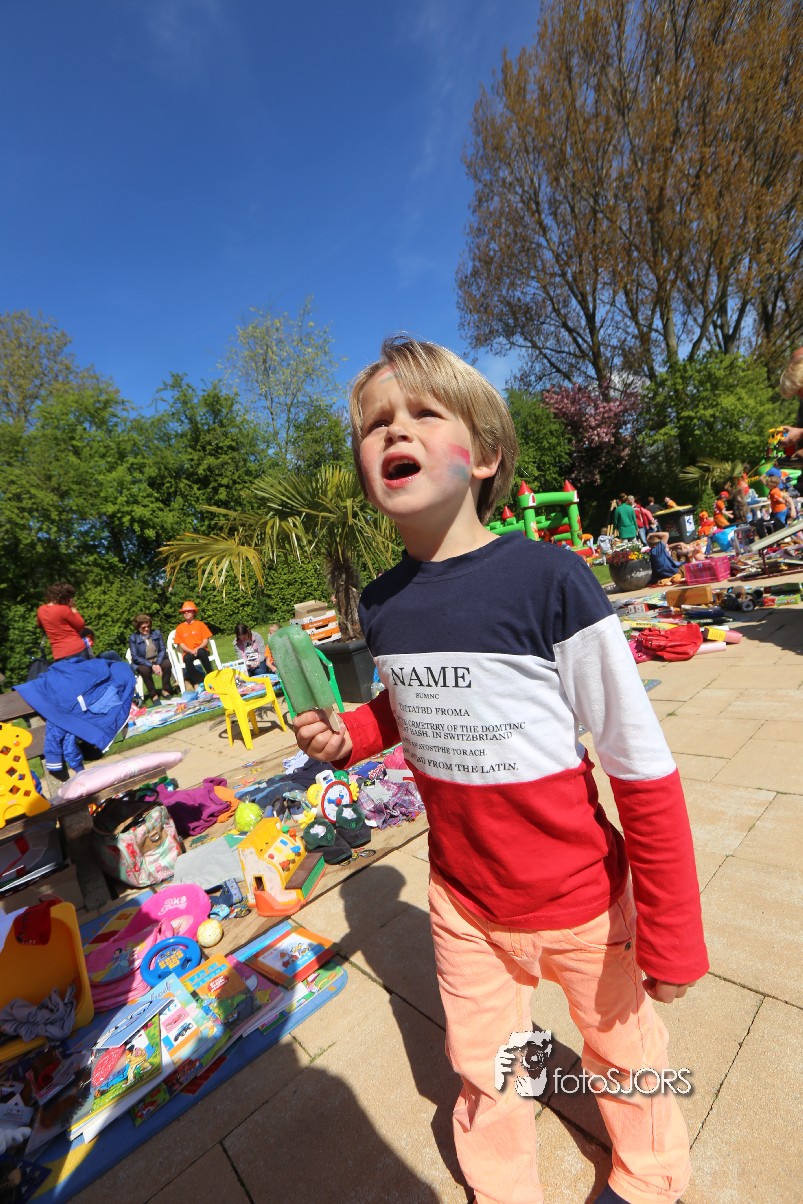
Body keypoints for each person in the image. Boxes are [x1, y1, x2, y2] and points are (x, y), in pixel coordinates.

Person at [291, 337, 707, 1204]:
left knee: (623, 1052)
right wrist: (352, 735)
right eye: (374, 424)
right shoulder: (381, 603)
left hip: (579, 897)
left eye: (422, 413)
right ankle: (501, 1186)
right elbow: (410, 702)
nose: (392, 431)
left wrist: (673, 927)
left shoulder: (548, 579)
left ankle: (650, 1175)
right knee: (483, 1066)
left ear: (482, 455)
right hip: (462, 901)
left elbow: (639, 765)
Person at [36, 583, 92, 665]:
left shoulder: (41, 610)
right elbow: (80, 625)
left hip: (59, 653)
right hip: (77, 649)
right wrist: (73, 608)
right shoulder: (64, 609)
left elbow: (40, 625)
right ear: (63, 597)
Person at [128, 613, 176, 702]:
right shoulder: (133, 638)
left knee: (167, 664)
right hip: (143, 662)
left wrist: (157, 663)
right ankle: (153, 695)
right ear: (138, 627)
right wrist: (151, 665)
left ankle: (166, 689)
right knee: (144, 670)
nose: (146, 629)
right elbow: (135, 657)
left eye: (148, 626)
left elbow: (162, 650)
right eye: (143, 627)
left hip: (157, 659)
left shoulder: (156, 633)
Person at [173, 601, 214, 686]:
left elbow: (205, 640)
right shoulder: (180, 628)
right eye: (184, 612)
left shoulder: (200, 624)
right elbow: (181, 644)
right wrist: (190, 651)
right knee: (187, 658)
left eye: (188, 611)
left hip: (201, 649)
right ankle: (198, 681)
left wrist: (198, 648)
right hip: (188, 652)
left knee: (201, 652)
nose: (186, 613)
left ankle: (211, 676)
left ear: (194, 612)